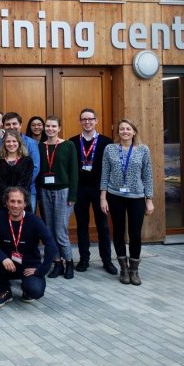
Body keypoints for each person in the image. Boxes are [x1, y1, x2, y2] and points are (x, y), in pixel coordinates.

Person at [100, 119, 154, 285]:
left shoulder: (143, 150)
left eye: (128, 129)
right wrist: (103, 197)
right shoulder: (110, 149)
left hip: (136, 197)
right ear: (118, 132)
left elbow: (148, 175)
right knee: (118, 232)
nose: (124, 131)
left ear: (134, 132)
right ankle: (123, 268)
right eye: (122, 129)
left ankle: (134, 270)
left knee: (135, 234)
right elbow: (105, 173)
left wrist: (149, 199)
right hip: (115, 196)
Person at [0, 187, 58, 308]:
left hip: (28, 266)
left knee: (35, 291)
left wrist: (41, 270)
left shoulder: (35, 221)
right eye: (12, 201)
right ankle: (5, 291)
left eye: (19, 202)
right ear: (6, 203)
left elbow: (51, 246)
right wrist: (3, 258)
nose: (15, 205)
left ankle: (26, 288)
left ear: (25, 204)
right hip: (7, 264)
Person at [69, 108, 117, 274]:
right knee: (82, 225)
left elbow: (112, 168)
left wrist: (107, 191)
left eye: (90, 119)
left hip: (100, 190)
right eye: (84, 119)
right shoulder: (73, 142)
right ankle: (84, 259)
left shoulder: (107, 142)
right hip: (80, 189)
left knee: (103, 226)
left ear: (96, 121)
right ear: (80, 121)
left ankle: (107, 261)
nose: (87, 122)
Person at [38, 116, 78, 279]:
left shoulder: (68, 146)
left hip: (63, 191)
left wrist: (73, 195)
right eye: (47, 126)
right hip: (45, 190)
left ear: (59, 128)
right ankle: (57, 263)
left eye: (53, 126)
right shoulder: (40, 147)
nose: (50, 129)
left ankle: (69, 262)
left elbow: (74, 172)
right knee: (49, 229)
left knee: (60, 229)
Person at [0, 112, 40, 212]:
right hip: (1, 196)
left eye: (14, 124)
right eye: (8, 124)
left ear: (20, 125)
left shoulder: (31, 143)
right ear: (3, 126)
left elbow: (35, 168)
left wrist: (16, 193)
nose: (11, 127)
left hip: (26, 191)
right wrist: (6, 195)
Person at [0, 131, 34, 213]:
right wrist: (8, 200)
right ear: (4, 143)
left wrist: (15, 199)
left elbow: (25, 183)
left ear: (19, 143)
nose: (11, 144)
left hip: (21, 203)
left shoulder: (27, 160)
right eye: (8, 141)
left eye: (14, 141)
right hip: (1, 204)